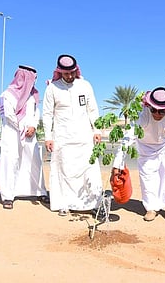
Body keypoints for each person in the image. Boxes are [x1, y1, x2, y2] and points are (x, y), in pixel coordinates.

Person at [111, 87, 165, 221]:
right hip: (146, 148)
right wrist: (117, 164)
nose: (158, 114)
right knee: (147, 178)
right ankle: (151, 208)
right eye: (154, 110)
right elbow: (127, 139)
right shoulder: (141, 114)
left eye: (162, 111)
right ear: (149, 106)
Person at [42, 54, 103, 216]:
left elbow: (92, 109)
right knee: (64, 170)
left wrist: (96, 130)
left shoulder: (85, 85)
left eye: (72, 73)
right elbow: (47, 114)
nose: (69, 76)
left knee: (88, 169)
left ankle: (92, 203)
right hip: (62, 137)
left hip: (84, 136)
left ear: (76, 71)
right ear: (59, 72)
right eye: (66, 73)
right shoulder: (52, 88)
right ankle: (64, 204)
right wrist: (48, 136)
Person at [0, 65, 48, 209]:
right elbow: (8, 115)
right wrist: (22, 128)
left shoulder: (33, 95)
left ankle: (39, 191)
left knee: (34, 161)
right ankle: (8, 196)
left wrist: (32, 126)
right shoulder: (7, 95)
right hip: (12, 133)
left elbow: (35, 112)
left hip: (29, 135)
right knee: (11, 162)